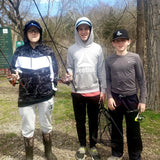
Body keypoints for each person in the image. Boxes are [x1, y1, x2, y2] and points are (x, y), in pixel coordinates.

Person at [10, 20, 58, 160]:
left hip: (46, 96)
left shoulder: (48, 51)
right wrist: (14, 77)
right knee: (27, 126)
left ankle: (48, 152)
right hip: (26, 97)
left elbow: (55, 73)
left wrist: (53, 90)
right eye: (30, 31)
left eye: (36, 31)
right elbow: (13, 76)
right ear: (26, 34)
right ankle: (29, 155)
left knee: (46, 125)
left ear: (40, 33)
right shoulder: (19, 51)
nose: (33, 33)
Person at [66, 17, 106, 160]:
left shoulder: (97, 48)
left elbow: (101, 70)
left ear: (90, 30)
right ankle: (82, 145)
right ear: (77, 31)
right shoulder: (72, 49)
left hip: (94, 91)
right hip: (77, 92)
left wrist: (104, 90)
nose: (83, 32)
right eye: (80, 29)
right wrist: (69, 74)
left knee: (94, 121)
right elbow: (69, 66)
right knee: (80, 120)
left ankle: (93, 146)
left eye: (86, 28)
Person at [105, 29, 147, 160]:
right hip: (115, 98)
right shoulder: (109, 60)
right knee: (116, 128)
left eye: (123, 40)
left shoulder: (135, 58)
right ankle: (117, 154)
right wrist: (109, 97)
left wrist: (143, 100)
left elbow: (142, 80)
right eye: (117, 41)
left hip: (132, 99)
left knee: (133, 130)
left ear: (128, 42)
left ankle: (135, 155)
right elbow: (107, 80)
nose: (120, 43)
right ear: (113, 43)